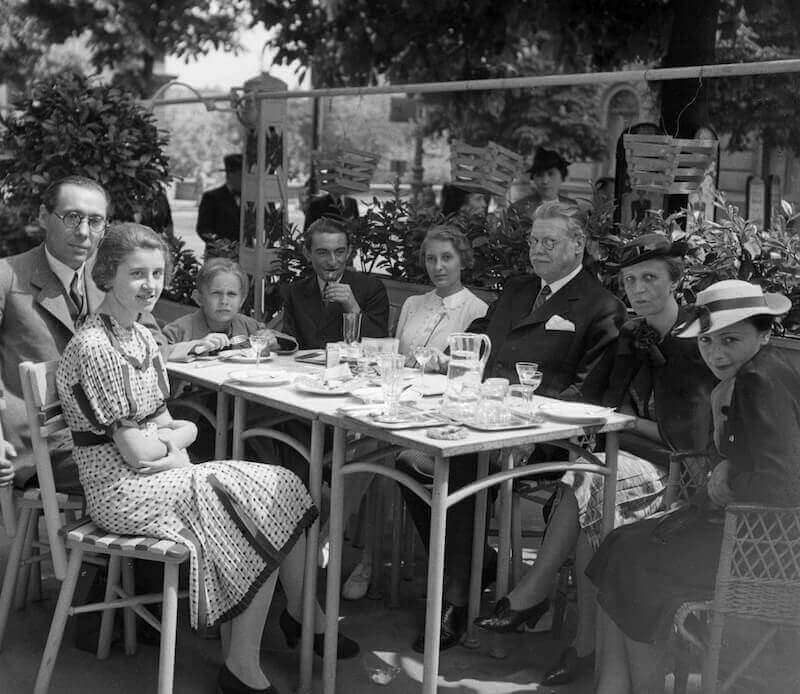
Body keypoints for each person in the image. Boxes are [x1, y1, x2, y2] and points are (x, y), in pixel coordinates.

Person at [56, 223, 356, 693]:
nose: (150, 285)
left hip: (158, 478)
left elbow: (168, 422)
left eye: (157, 273)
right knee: (262, 496)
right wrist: (174, 440)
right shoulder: (96, 346)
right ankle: (253, 656)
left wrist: (175, 436)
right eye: (137, 274)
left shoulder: (137, 339)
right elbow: (136, 453)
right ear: (107, 274)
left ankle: (287, 624)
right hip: (120, 494)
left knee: (285, 484)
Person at [474, 234, 718, 686]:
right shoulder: (632, 333)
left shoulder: (695, 344)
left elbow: (681, 438)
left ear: (675, 283)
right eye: (629, 280)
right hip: (621, 455)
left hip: (680, 474)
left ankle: (536, 590)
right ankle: (584, 646)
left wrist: (625, 425)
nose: (639, 290)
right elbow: (610, 405)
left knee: (587, 480)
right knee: (591, 496)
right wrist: (623, 424)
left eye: (650, 278)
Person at [401, 201, 627, 653]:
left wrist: (521, 423)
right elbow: (483, 335)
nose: (537, 250)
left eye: (549, 242)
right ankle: (473, 565)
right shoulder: (520, 288)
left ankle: (456, 599)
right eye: (533, 241)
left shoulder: (602, 307)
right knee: (407, 460)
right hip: (480, 419)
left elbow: (585, 395)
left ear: (578, 244)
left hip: (545, 438)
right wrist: (454, 355)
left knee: (460, 465)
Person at [588, 279, 799, 694]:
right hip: (749, 531)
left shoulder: (759, 382)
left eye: (731, 340)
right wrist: (726, 464)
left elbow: (785, 484)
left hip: (763, 545)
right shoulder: (760, 370)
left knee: (628, 557)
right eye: (706, 341)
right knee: (620, 546)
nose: (716, 354)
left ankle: (628, 688)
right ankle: (614, 684)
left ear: (765, 332)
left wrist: (730, 476)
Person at [342, 225, 488, 601]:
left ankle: (359, 553)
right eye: (430, 258)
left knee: (373, 450)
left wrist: (441, 366)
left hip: (436, 415)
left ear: (462, 261)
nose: (438, 266)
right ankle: (364, 554)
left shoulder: (476, 311)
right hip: (395, 401)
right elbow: (395, 354)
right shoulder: (413, 304)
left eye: (446, 258)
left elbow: (471, 376)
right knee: (361, 437)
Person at [0, 175, 165, 492]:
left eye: (95, 220)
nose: (84, 232)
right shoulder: (8, 276)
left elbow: (152, 339)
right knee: (168, 472)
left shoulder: (109, 274)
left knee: (180, 460)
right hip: (41, 450)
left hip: (113, 434)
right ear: (43, 217)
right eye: (72, 217)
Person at [281, 216, 390, 348]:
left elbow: (380, 344)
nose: (332, 261)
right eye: (323, 253)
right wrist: (272, 340)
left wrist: (353, 308)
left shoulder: (372, 288)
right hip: (303, 367)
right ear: (307, 253)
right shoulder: (295, 291)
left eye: (339, 252)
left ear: (349, 252)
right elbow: (289, 343)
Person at [163, 258, 297, 362]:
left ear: (242, 300)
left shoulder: (249, 327)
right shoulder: (179, 330)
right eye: (216, 293)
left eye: (232, 294)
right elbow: (157, 353)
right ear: (199, 298)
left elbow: (290, 344)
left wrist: (275, 343)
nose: (224, 301)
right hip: (192, 396)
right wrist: (194, 346)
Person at [511, 149, 577, 223]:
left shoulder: (572, 206)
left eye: (551, 174)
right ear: (534, 178)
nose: (545, 181)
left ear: (562, 176)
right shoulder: (519, 208)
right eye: (539, 175)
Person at [196, 153, 243, 245]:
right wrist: (221, 244)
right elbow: (203, 229)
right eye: (240, 175)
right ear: (229, 175)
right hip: (219, 256)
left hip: (247, 256)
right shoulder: (211, 197)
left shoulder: (253, 199)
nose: (245, 179)